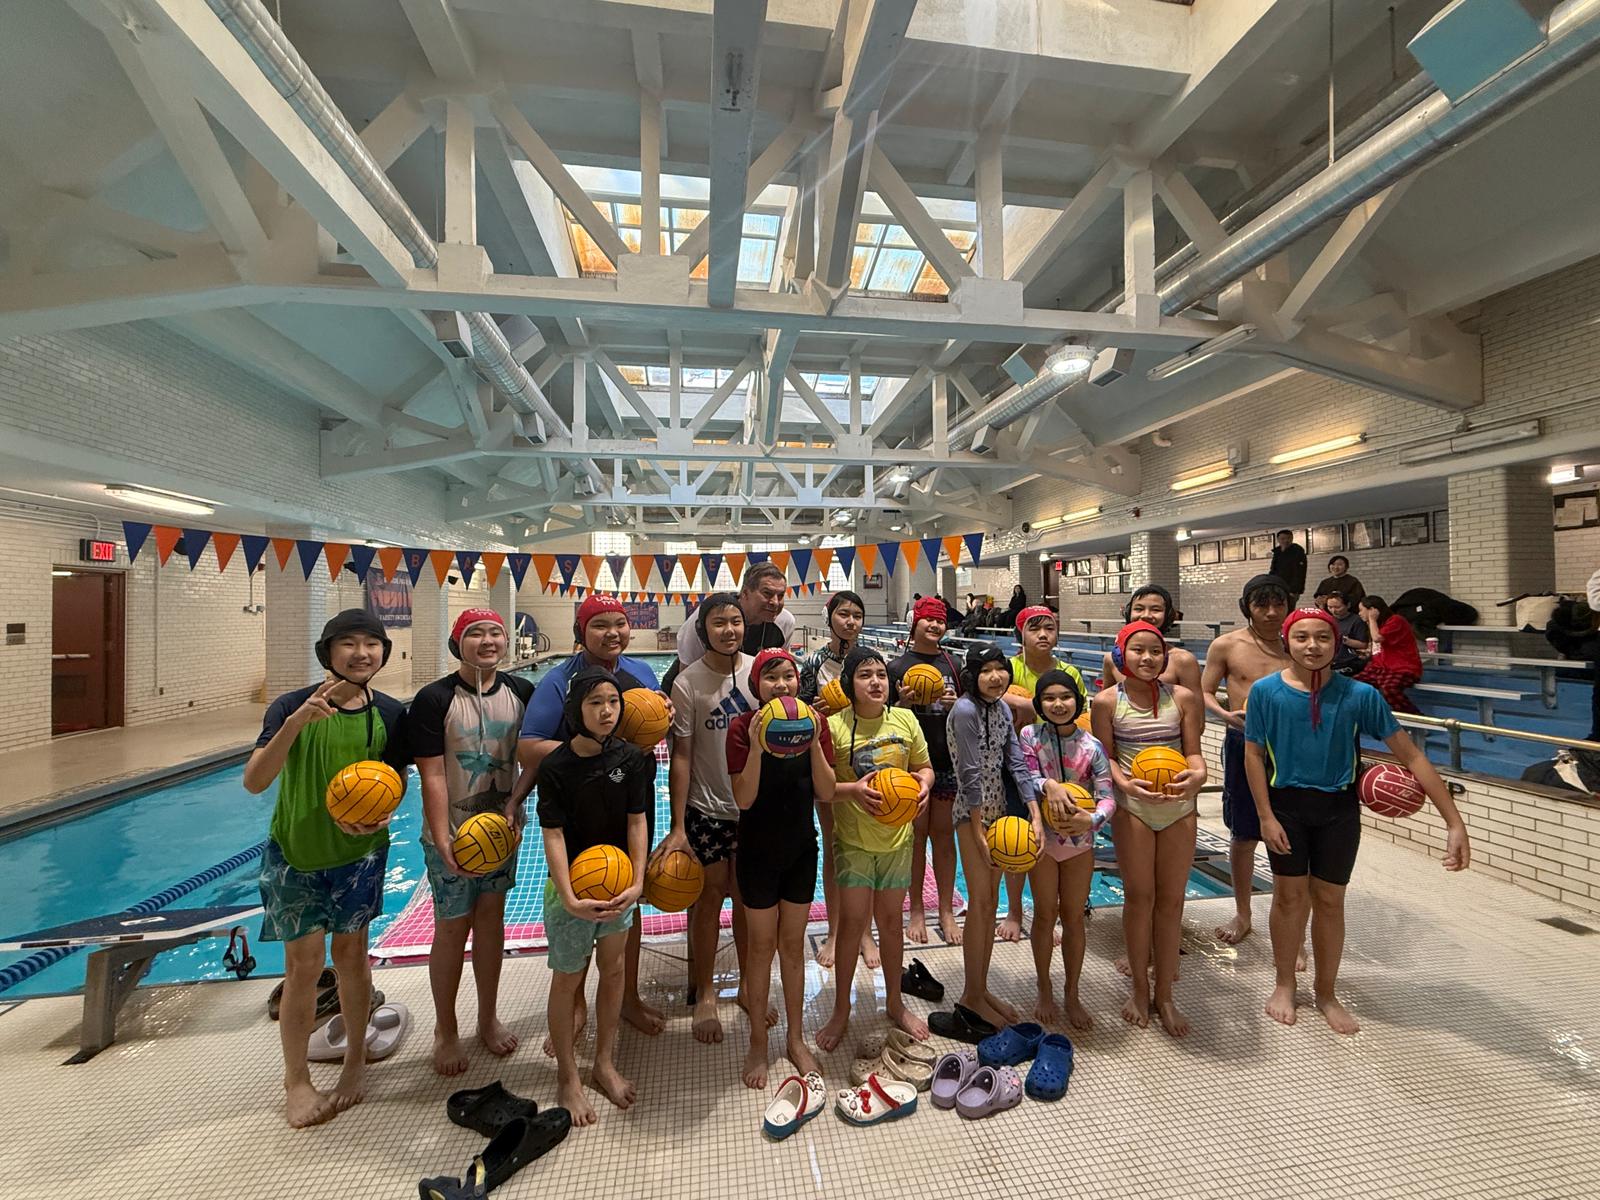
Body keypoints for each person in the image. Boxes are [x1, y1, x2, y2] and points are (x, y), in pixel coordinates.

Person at [1246, 608, 1469, 1035]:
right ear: (1287, 642)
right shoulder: (1265, 693)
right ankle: (1284, 984)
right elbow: (1253, 755)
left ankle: (1326, 993)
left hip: (1338, 811)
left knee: (1330, 902)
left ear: (1336, 643)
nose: (1312, 646)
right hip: (1286, 807)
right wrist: (1265, 816)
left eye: (1323, 638)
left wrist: (1453, 822)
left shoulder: (1359, 695)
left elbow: (1413, 755)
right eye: (1302, 638)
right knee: (1289, 899)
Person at [242, 609, 409, 1128]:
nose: (361, 653)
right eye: (349, 644)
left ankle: (356, 1061)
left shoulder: (389, 712)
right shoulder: (291, 705)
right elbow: (255, 780)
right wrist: (295, 724)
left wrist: (381, 813)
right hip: (296, 853)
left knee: (354, 958)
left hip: (359, 856)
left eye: (371, 644)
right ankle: (296, 1080)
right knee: (304, 967)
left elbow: (393, 781)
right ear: (328, 652)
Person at [519, 594, 669, 1038]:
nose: (613, 633)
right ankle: (578, 1001)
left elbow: (648, 735)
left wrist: (657, 719)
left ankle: (628, 998)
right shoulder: (558, 681)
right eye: (600, 625)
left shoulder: (641, 673)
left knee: (627, 896)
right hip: (581, 807)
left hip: (630, 800)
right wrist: (598, 755)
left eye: (619, 623)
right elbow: (528, 747)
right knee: (582, 896)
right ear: (580, 633)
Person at [407, 609, 534, 1076]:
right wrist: (443, 838)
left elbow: (533, 757)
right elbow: (433, 773)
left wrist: (517, 804)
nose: (487, 641)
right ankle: (445, 1029)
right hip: (451, 835)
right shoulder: (433, 699)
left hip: (502, 834)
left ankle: (487, 1017)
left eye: (495, 633)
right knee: (452, 928)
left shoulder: (522, 692)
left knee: (491, 921)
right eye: (475, 633)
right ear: (457, 642)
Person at [536, 669, 650, 1124]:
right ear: (575, 710)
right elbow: (554, 835)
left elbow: (637, 821)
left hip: (619, 887)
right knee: (567, 980)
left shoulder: (633, 759)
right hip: (571, 893)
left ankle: (603, 1060)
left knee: (615, 970)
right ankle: (568, 1074)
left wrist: (638, 881)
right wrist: (566, 895)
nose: (607, 711)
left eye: (613, 702)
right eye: (595, 703)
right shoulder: (556, 766)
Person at [651, 593, 762, 1044]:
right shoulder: (687, 681)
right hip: (707, 810)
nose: (730, 630)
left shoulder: (758, 672)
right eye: (719, 623)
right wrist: (677, 826)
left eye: (736, 621)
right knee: (710, 898)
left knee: (747, 899)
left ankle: (751, 987)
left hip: (751, 808)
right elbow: (681, 757)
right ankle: (707, 991)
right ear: (704, 630)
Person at [1091, 621, 1206, 1038]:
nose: (1147, 658)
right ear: (1122, 655)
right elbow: (1106, 758)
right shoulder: (1106, 702)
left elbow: (1193, 752)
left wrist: (1198, 775)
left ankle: (1165, 995)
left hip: (1179, 807)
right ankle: (1139, 990)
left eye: (1155, 651)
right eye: (1137, 650)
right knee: (1140, 898)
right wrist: (1125, 785)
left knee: (1172, 901)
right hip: (1134, 808)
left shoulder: (1184, 697)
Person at [727, 649, 836, 1087]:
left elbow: (825, 793)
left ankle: (794, 1040)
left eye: (788, 676)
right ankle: (757, 1040)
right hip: (755, 850)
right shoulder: (741, 727)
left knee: (792, 949)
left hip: (799, 849)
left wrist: (813, 742)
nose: (782, 685)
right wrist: (757, 745)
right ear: (757, 685)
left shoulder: (816, 724)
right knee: (760, 948)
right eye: (771, 677)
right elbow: (744, 799)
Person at [817, 646, 933, 1051]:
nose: (876, 682)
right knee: (851, 924)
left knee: (890, 923)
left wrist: (924, 785)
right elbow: (822, 788)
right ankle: (841, 1009)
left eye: (881, 674)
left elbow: (924, 767)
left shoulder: (905, 719)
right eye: (865, 675)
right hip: (853, 843)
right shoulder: (833, 727)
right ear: (850, 683)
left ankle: (895, 1004)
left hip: (897, 841)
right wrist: (854, 790)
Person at [946, 644, 1042, 1032]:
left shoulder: (1002, 709)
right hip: (972, 814)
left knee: (988, 908)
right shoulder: (966, 710)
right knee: (981, 902)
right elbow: (969, 772)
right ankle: (971, 994)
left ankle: (981, 990)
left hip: (1000, 812)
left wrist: (1033, 812)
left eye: (1000, 669)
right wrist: (976, 827)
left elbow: (1016, 762)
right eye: (985, 670)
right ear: (972, 675)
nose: (995, 677)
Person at [1200, 575, 1291, 947]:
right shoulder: (1227, 645)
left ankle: (1290, 920)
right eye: (1261, 605)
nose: (1271, 613)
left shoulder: (1298, 643)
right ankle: (1243, 913)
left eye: (1279, 604)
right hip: (1243, 742)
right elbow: (1203, 692)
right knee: (1244, 834)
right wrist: (1225, 716)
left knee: (1292, 834)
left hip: (1290, 747)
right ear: (1247, 607)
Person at [1020, 670, 1114, 1030]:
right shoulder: (1029, 736)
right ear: (1039, 703)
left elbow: (1108, 797)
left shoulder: (1092, 747)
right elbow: (1024, 774)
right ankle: (1044, 987)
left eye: (1065, 697)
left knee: (1073, 917)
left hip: (1079, 842)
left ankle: (1071, 992)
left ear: (1078, 700)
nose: (1058, 704)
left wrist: (1090, 822)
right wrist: (1050, 785)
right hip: (1044, 840)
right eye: (1049, 698)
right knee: (1045, 915)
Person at [997, 604, 1086, 942]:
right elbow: (994, 695)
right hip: (1018, 767)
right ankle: (1015, 911)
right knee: (1017, 835)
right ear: (1021, 633)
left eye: (1049, 628)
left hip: (1062, 769)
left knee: (1066, 837)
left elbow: (1081, 718)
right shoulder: (1010, 668)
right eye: (1035, 629)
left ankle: (1065, 910)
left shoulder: (1070, 672)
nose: (1044, 635)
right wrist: (1025, 704)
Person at [797, 590, 874, 969]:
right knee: (834, 846)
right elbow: (801, 711)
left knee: (867, 848)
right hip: (828, 759)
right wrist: (816, 708)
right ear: (830, 618)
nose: (851, 621)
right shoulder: (812, 662)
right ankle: (833, 928)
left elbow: (884, 706)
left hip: (868, 760)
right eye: (843, 614)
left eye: (857, 615)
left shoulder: (875, 660)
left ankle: (865, 933)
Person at [889, 595, 964, 945]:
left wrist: (958, 704)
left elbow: (972, 709)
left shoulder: (955, 664)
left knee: (944, 838)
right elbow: (885, 717)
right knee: (916, 839)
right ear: (914, 623)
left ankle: (947, 911)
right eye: (928, 620)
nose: (934, 626)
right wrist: (903, 703)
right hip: (911, 765)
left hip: (947, 762)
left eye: (940, 621)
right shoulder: (897, 667)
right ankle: (916, 908)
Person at [672, 563, 793, 675]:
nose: (775, 602)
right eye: (767, 593)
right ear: (745, 593)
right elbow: (687, 673)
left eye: (781, 595)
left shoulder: (784, 622)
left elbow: (779, 670)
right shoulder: (708, 616)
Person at [1100, 584, 1202, 693]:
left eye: (1156, 610)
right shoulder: (1111, 660)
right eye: (1139, 609)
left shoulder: (1183, 660)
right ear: (1128, 613)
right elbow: (1105, 704)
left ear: (1168, 616)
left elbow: (1196, 708)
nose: (1146, 615)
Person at [1354, 595, 1422, 714]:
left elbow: (1377, 638)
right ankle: (1371, 714)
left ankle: (1417, 719)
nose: (1359, 613)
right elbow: (1378, 648)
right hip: (1380, 666)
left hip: (1402, 667)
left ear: (1372, 610)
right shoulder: (1377, 625)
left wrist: (1372, 620)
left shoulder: (1396, 620)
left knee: (1389, 689)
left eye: (1361, 610)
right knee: (1355, 684)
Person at [1323, 591, 1369, 675]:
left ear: (1348, 605)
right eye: (1330, 607)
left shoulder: (1357, 620)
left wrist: (1343, 639)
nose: (1333, 610)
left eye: (1337, 607)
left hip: (1348, 661)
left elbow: (1363, 645)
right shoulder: (1328, 620)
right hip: (1330, 660)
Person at [1270, 530, 1308, 607]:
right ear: (1278, 540)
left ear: (1292, 539)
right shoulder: (1277, 552)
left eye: (1288, 538)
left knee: (1288, 608)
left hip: (1291, 588)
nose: (1286, 541)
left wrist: (1294, 590)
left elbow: (1299, 573)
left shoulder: (1298, 551)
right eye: (1283, 539)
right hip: (1277, 586)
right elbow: (1273, 570)